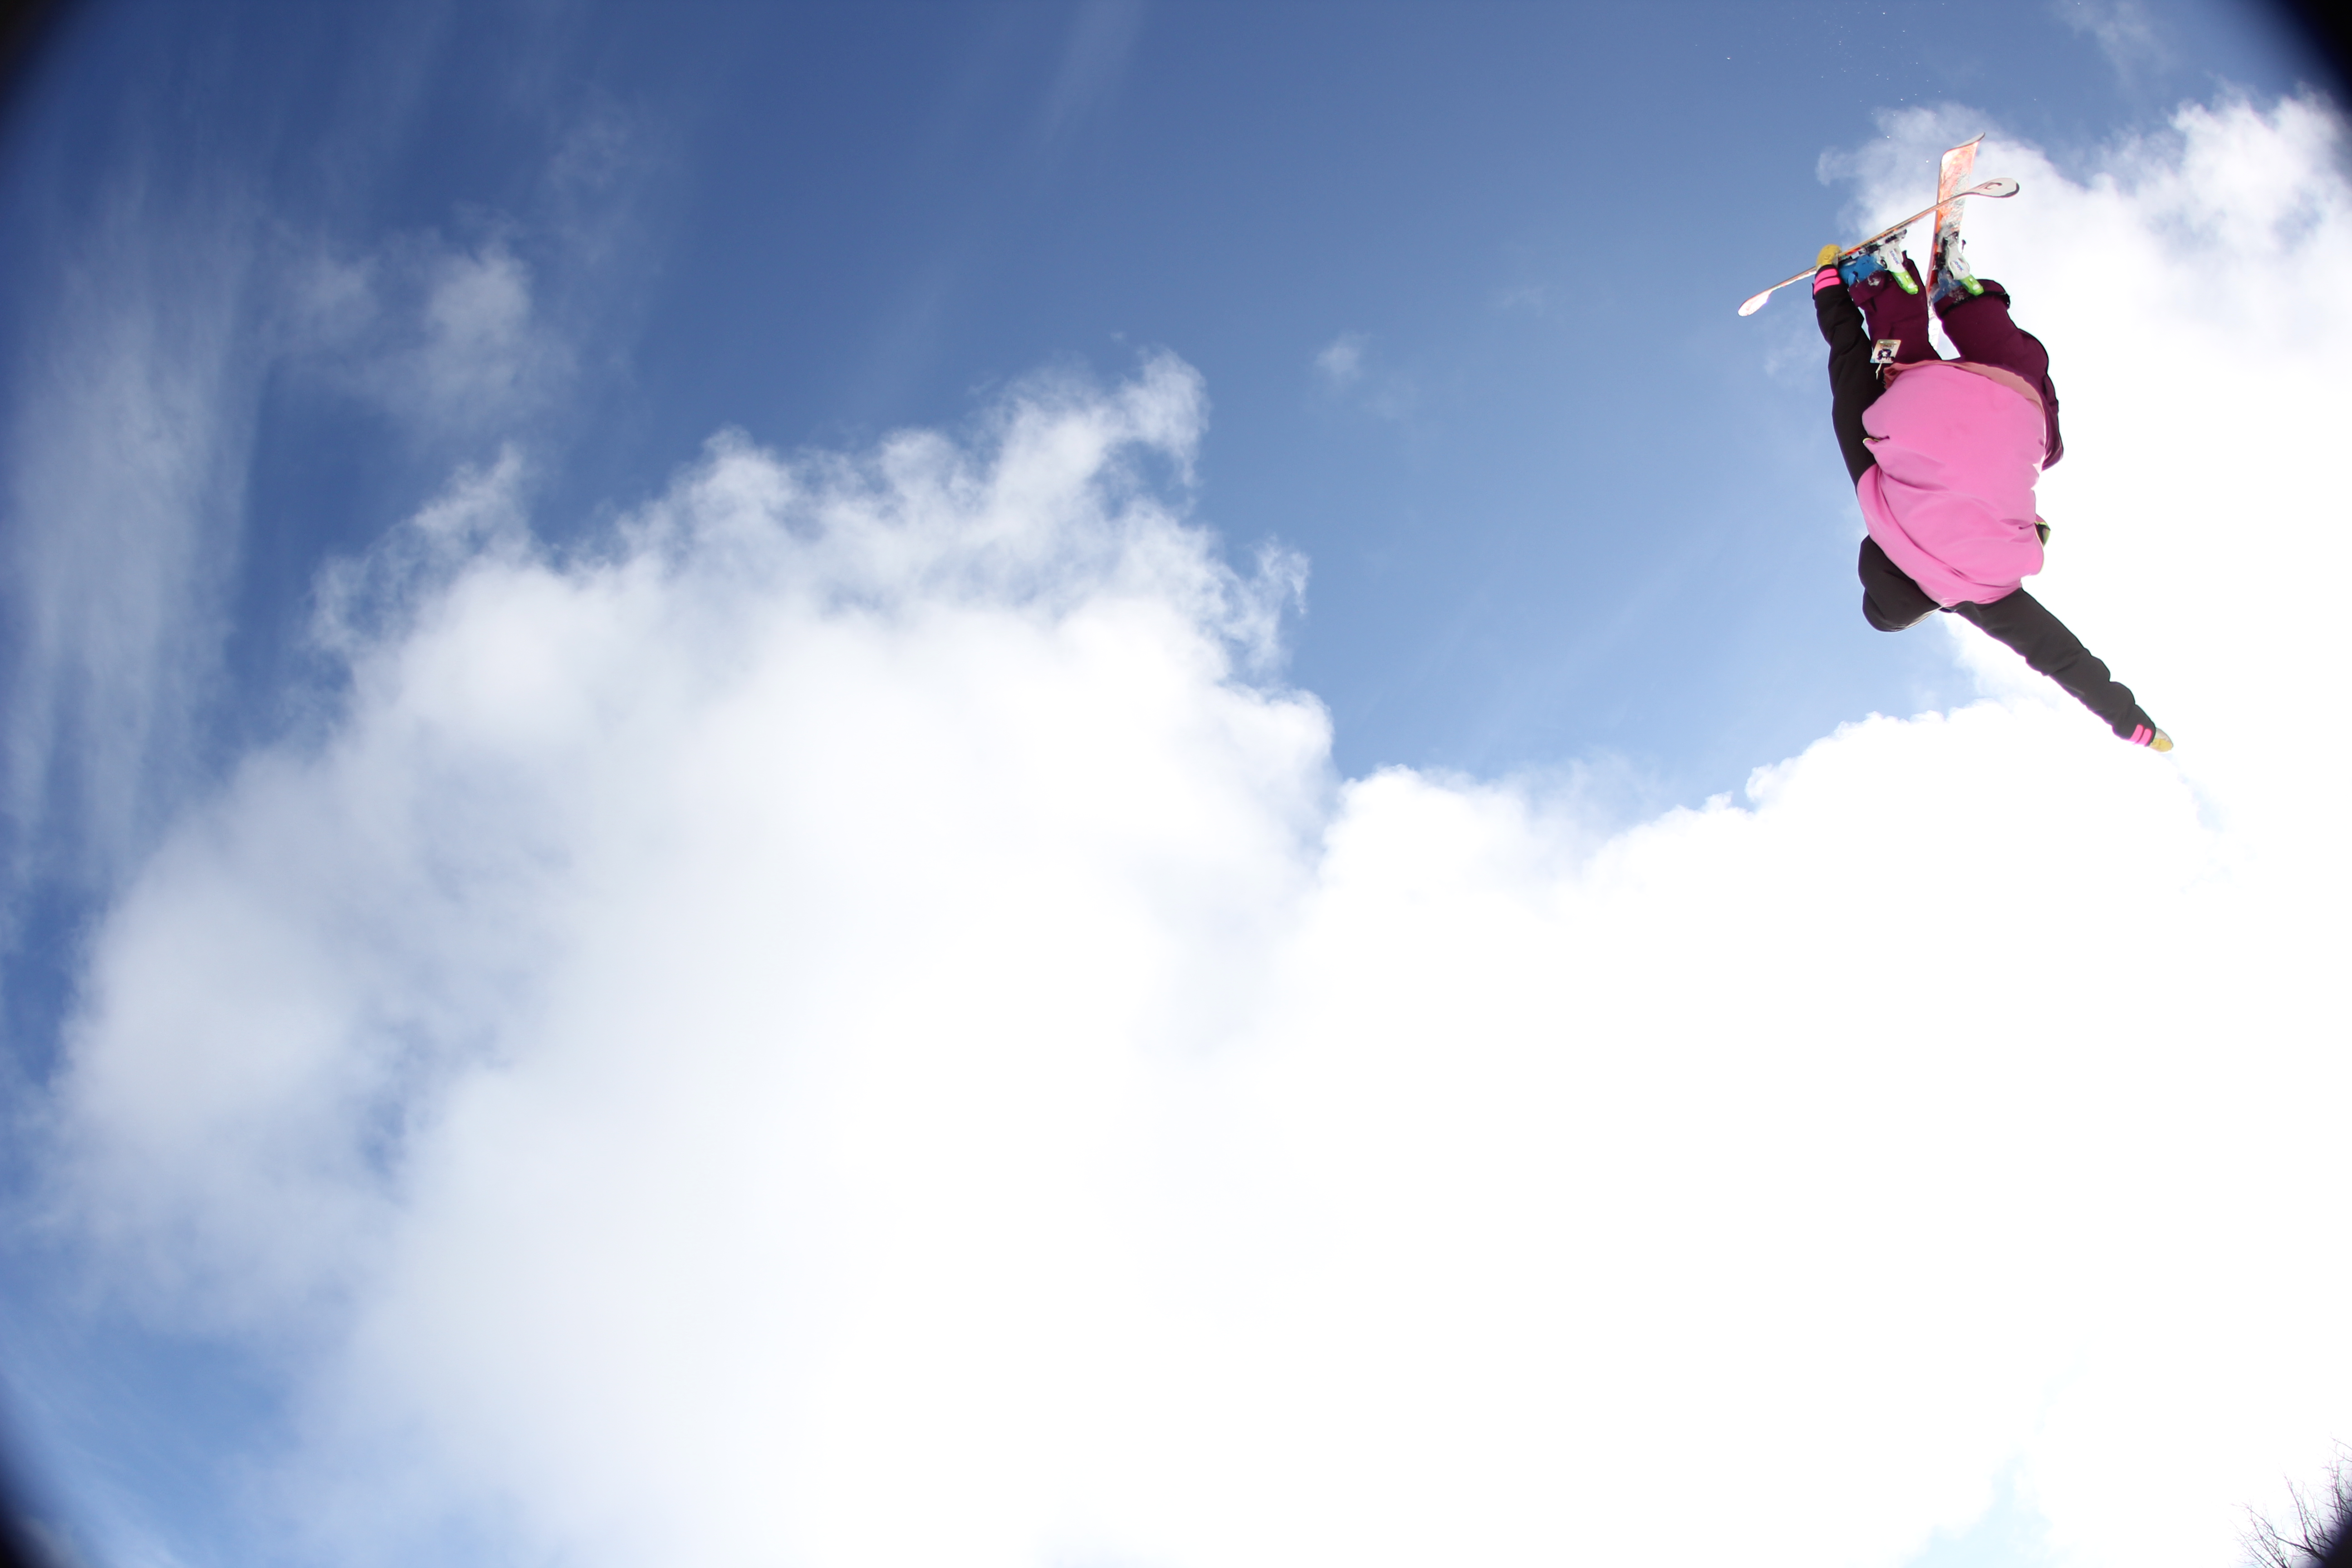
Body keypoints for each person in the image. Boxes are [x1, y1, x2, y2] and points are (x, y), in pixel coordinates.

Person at [1812, 228, 2170, 749]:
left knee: (2038, 426)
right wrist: (1829, 297)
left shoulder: (1993, 592)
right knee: (1895, 368)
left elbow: (2065, 658)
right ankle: (1882, 281)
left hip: (2016, 414)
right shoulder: (1877, 504)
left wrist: (2130, 720)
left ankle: (1962, 300)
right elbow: (1847, 367)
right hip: (1918, 405)